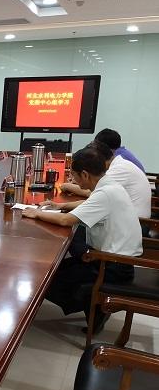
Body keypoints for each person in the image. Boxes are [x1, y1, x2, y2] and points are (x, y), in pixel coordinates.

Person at [22, 143, 142, 335]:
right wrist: (60, 206)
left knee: (43, 281)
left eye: (73, 175)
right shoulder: (110, 186)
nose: (72, 179)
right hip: (116, 261)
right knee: (53, 267)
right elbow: (88, 203)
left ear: (85, 174)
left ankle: (95, 306)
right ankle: (93, 307)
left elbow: (66, 220)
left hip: (111, 266)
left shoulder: (106, 193)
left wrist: (37, 213)